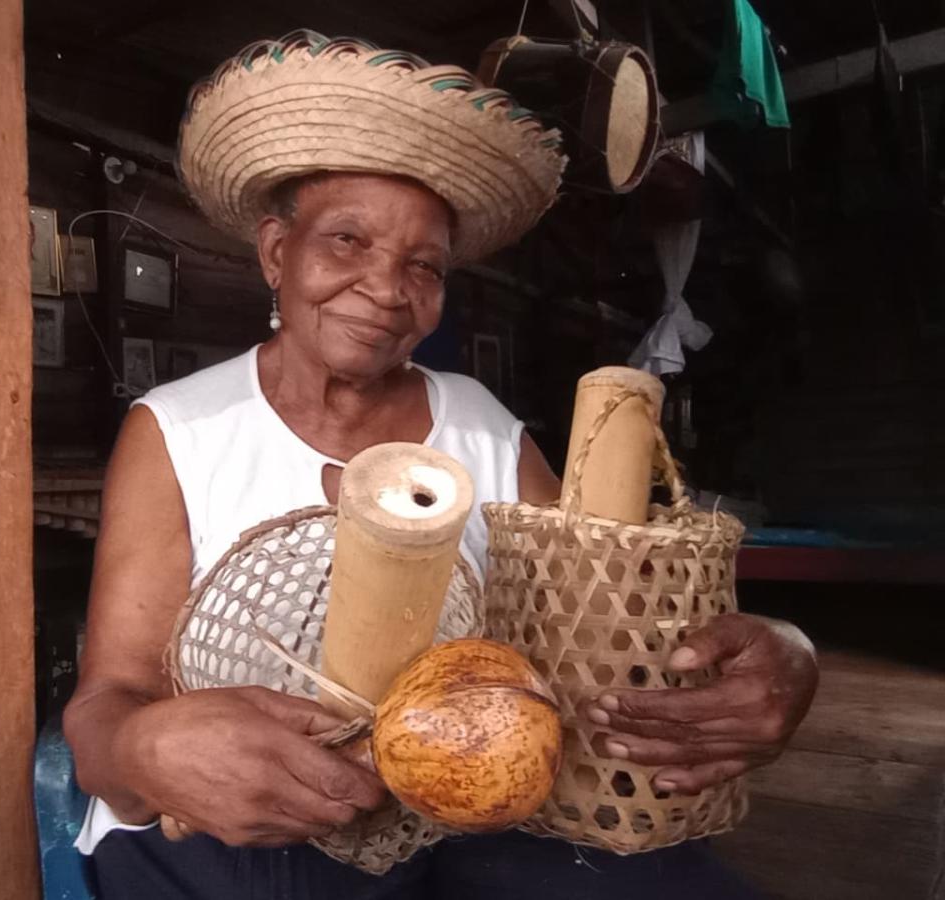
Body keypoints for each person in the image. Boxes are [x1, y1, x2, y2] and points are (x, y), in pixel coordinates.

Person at [63, 30, 818, 899]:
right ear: (278, 251)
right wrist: (141, 748)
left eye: (424, 265)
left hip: (449, 819)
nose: (387, 289)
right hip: (223, 836)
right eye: (346, 241)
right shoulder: (180, 429)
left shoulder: (483, 429)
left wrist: (784, 653)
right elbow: (104, 706)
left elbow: (614, 627)